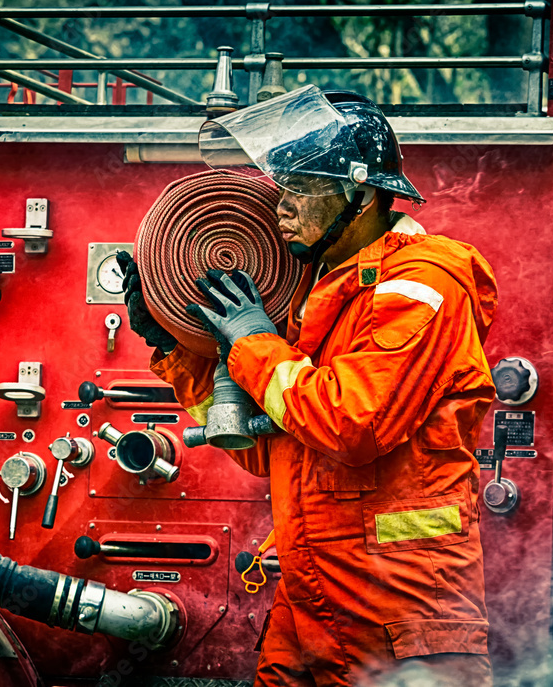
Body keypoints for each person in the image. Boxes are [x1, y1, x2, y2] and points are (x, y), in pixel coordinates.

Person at [119, 85, 497, 686]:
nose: (280, 207)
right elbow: (270, 453)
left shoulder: (422, 284)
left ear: (362, 195)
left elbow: (353, 425)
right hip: (313, 602)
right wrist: (175, 348)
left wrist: (250, 344)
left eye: (300, 189)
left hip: (400, 612)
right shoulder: (327, 296)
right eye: (281, 189)